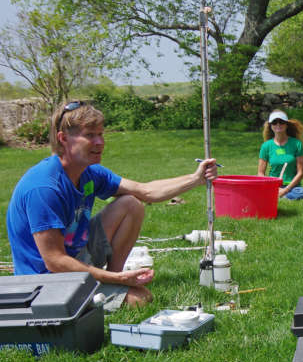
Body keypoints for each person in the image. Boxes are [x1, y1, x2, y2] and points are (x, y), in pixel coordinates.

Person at [6, 101, 218, 310]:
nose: (100, 142)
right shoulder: (44, 188)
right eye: (90, 135)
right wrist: (115, 278)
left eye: (101, 134)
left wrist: (196, 179)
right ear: (63, 139)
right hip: (47, 282)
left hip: (75, 256)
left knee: (131, 204)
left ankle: (116, 280)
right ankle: (116, 280)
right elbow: (55, 261)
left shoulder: (89, 172)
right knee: (140, 300)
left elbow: (145, 192)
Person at [257, 110, 303, 200]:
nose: (278, 124)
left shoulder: (296, 144)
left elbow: (300, 173)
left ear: (286, 124)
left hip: (292, 187)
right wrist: (272, 187)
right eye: (274, 122)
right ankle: (278, 195)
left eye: (281, 122)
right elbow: (260, 173)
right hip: (272, 186)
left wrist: (286, 190)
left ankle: (278, 196)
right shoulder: (266, 146)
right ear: (270, 125)